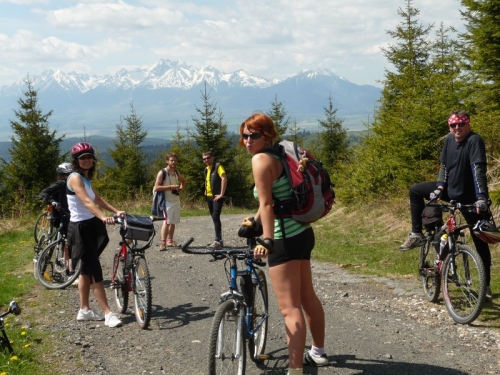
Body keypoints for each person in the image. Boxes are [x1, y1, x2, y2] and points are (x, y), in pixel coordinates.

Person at [239, 113, 328, 375]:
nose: (247, 141)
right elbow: (274, 200)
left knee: (290, 308)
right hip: (302, 232)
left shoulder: (260, 160)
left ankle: (295, 370)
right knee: (306, 295)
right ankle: (318, 353)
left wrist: (267, 239)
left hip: (284, 239)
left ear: (267, 135)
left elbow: (267, 204)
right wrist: (253, 221)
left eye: (253, 135)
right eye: (244, 135)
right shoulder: (279, 154)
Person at [398, 110, 492, 299]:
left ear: (469, 124)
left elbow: (478, 170)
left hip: (472, 198)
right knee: (416, 190)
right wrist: (440, 187)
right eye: (453, 125)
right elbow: (444, 167)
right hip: (451, 191)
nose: (457, 128)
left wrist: (481, 197)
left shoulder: (474, 141)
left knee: (481, 241)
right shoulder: (449, 140)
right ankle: (416, 234)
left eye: (461, 124)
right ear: (449, 127)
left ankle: (486, 286)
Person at [66, 142, 125, 328]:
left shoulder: (85, 179)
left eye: (89, 157)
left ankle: (84, 310)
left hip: (90, 225)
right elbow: (86, 202)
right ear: (76, 161)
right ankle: (108, 313)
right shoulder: (74, 178)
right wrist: (103, 217)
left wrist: (115, 210)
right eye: (82, 158)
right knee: (95, 271)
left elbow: (96, 199)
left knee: (85, 270)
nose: (86, 160)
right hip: (80, 228)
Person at [37, 162, 74, 271]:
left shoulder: (71, 185)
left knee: (68, 241)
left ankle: (68, 268)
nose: (69, 176)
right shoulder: (60, 184)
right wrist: (52, 202)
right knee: (67, 241)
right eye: (67, 174)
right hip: (59, 215)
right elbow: (45, 193)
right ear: (62, 175)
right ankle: (68, 269)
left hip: (69, 215)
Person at [153, 152, 187, 250]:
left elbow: (184, 181)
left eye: (175, 160)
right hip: (166, 201)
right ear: (167, 161)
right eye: (171, 160)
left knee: (173, 222)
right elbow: (156, 187)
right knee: (166, 222)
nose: (173, 162)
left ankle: (170, 241)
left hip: (176, 200)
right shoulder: (162, 172)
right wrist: (171, 187)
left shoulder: (176, 173)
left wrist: (181, 188)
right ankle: (163, 243)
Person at [203, 150, 227, 249]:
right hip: (208, 196)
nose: (206, 160)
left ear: (213, 157)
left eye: (208, 158)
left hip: (216, 197)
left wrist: (222, 194)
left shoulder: (218, 166)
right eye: (204, 159)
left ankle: (218, 241)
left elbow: (224, 178)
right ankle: (219, 240)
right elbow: (207, 180)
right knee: (214, 218)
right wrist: (205, 190)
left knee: (215, 217)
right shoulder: (206, 169)